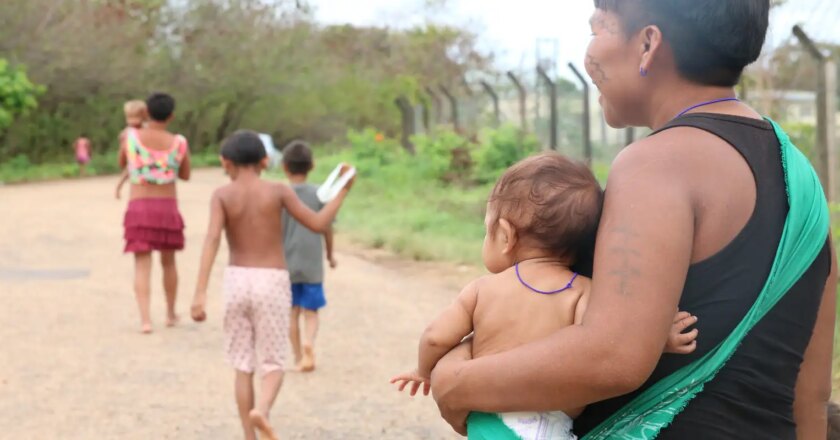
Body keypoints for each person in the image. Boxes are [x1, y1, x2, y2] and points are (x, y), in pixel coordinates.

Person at [430, 1, 836, 439]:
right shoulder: (804, 183)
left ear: (647, 43)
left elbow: (612, 356)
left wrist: (454, 382)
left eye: (597, 29)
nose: (590, 53)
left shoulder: (655, 164)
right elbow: (808, 398)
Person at [390, 153, 699, 439]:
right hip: (552, 425)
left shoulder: (482, 289)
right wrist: (659, 340)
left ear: (506, 236)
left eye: (487, 231)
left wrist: (424, 370)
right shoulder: (583, 292)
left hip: (490, 418)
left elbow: (435, 337)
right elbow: (611, 345)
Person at [189, 131, 353, 440]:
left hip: (237, 280)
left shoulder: (222, 195)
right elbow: (318, 224)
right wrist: (342, 192)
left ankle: (249, 436)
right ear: (265, 161)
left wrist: (199, 292)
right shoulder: (278, 191)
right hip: (273, 281)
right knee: (273, 362)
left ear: (226, 162)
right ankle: (261, 411)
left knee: (242, 364)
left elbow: (211, 239)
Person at [119, 92, 191, 334]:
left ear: (146, 113)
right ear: (171, 116)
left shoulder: (131, 138)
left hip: (139, 206)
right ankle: (170, 314)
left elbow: (122, 163)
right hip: (167, 207)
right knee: (169, 262)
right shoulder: (179, 142)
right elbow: (185, 174)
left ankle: (146, 320)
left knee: (142, 264)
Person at [281, 141, 337, 373]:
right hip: (312, 263)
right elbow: (326, 228)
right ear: (312, 166)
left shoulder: (280, 195)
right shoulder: (318, 195)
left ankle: (297, 356)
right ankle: (309, 343)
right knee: (311, 311)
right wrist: (330, 255)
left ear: (284, 167)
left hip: (286, 263)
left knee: (292, 311)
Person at [116, 100, 148, 199]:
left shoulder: (147, 129)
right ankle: (118, 188)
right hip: (133, 159)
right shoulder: (127, 132)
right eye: (129, 117)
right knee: (127, 171)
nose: (132, 121)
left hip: (146, 158)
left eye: (136, 117)